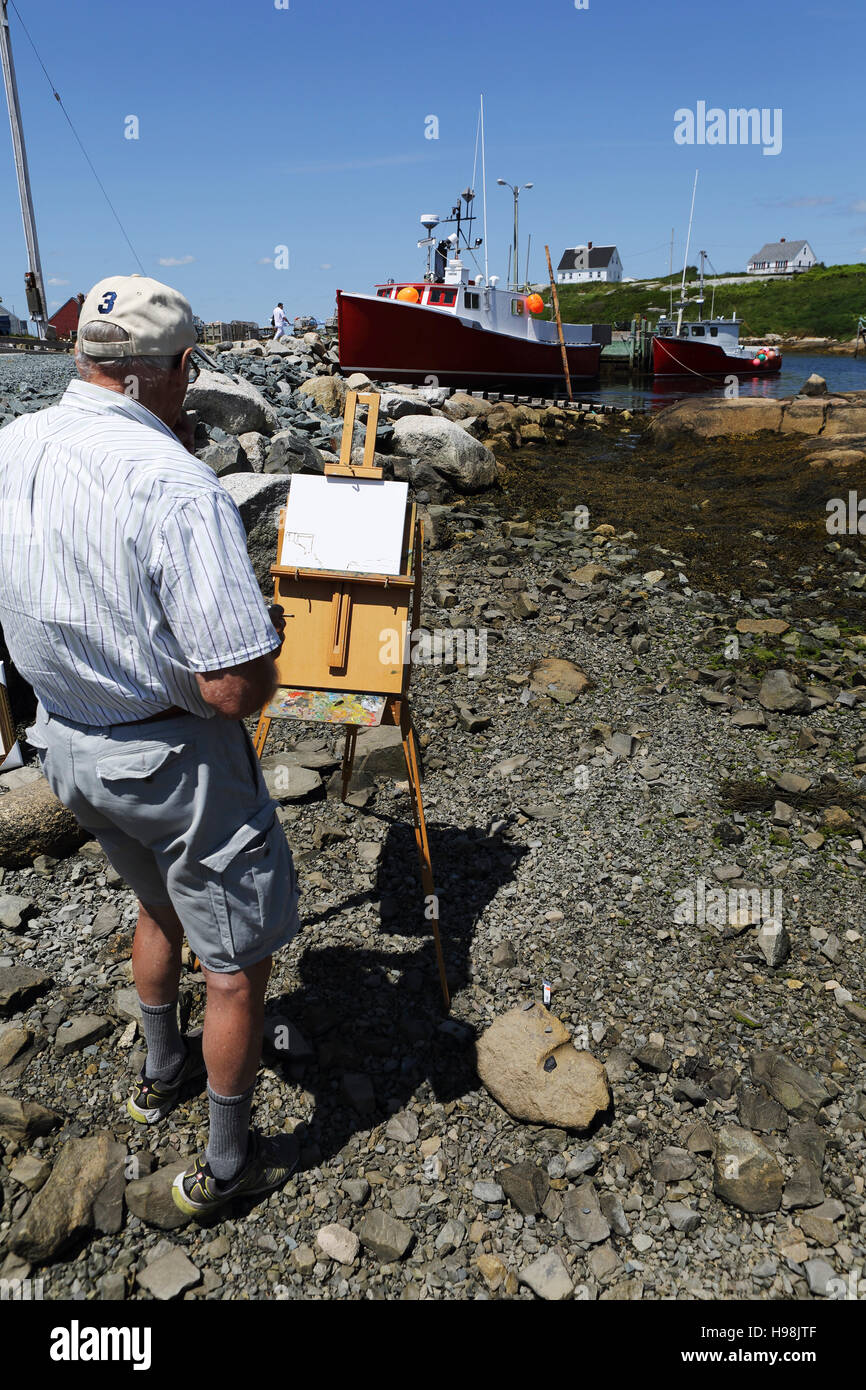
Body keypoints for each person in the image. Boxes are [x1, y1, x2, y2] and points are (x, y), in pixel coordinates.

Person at [0, 274, 301, 1217]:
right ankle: (226, 1166)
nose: (190, 384)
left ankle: (159, 1072)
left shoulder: (11, 445)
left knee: (157, 902)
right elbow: (232, 688)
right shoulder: (175, 483)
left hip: (67, 748)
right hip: (172, 760)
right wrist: (272, 639)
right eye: (187, 368)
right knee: (237, 963)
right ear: (154, 374)